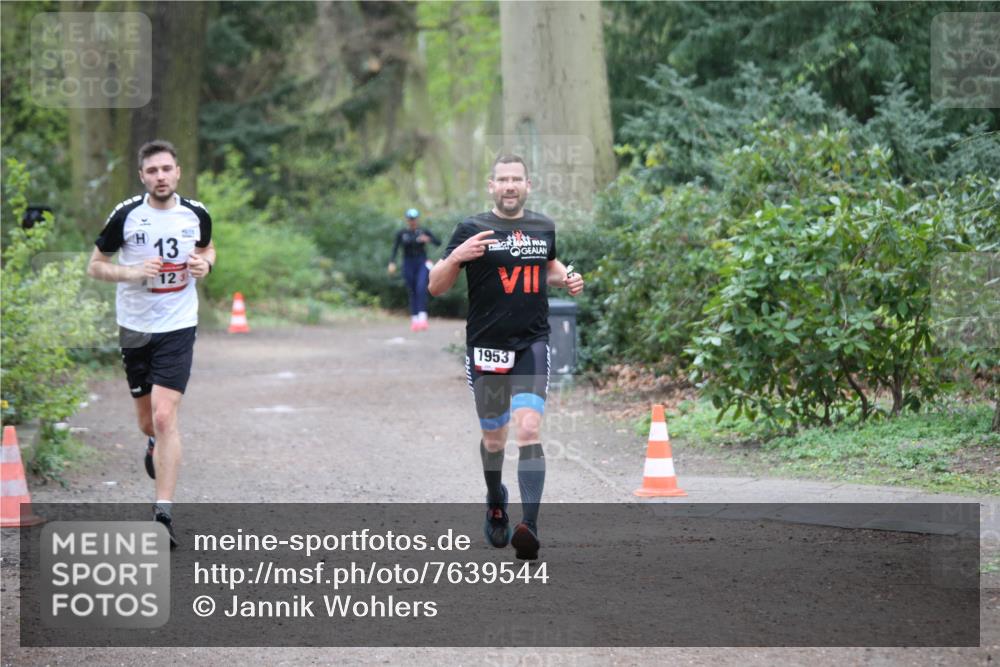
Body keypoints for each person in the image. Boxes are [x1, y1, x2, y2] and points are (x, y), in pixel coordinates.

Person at [428, 155, 583, 560]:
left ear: (528, 185)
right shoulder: (472, 229)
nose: (510, 185)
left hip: (531, 343)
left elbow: (545, 264)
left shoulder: (542, 227)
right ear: (491, 186)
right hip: (487, 347)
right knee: (494, 438)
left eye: (517, 179)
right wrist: (457, 255)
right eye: (503, 180)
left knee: (528, 428)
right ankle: (496, 498)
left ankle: (528, 526)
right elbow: (435, 287)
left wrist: (566, 277)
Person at [87, 139, 215, 548]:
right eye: (153, 171)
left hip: (178, 324)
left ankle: (162, 514)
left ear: (178, 172)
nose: (161, 176)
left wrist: (205, 264)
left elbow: (208, 248)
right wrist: (132, 271)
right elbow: (95, 267)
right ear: (142, 176)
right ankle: (153, 444)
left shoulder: (196, 214)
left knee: (164, 416)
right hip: (136, 328)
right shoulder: (126, 215)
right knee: (147, 422)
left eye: (167, 169)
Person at [388, 208, 440, 331]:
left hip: (422, 262)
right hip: (408, 263)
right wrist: (391, 262)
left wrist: (428, 239)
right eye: (410, 219)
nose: (413, 221)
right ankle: (415, 319)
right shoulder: (402, 233)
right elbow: (395, 249)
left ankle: (423, 318)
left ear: (418, 219)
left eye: (415, 219)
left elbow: (438, 242)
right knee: (412, 290)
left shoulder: (423, 232)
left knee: (421, 288)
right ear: (407, 220)